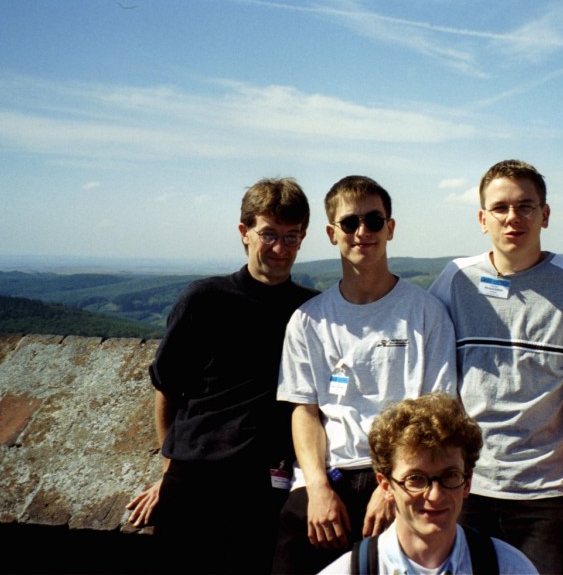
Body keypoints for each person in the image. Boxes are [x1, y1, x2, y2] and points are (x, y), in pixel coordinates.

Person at [125, 177, 318, 574]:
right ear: (244, 233)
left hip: (266, 486)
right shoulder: (205, 300)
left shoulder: (310, 311)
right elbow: (167, 390)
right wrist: (170, 472)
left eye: (292, 237)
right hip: (196, 481)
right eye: (269, 235)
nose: (281, 249)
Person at [273, 175, 458, 574]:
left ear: (390, 228)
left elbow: (435, 412)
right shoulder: (308, 321)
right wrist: (317, 487)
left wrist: (393, 487)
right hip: (330, 477)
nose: (362, 232)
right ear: (331, 232)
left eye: (374, 222)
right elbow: (304, 412)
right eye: (350, 223)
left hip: (405, 478)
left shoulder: (426, 313)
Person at [429, 159, 563, 573]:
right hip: (468, 487)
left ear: (545, 214)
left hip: (550, 495)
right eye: (500, 208)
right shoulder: (456, 279)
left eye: (525, 206)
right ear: (482, 218)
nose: (513, 218)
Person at [318, 392, 539, 574]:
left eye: (449, 476)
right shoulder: (347, 571)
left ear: (467, 482)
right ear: (386, 486)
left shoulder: (509, 567)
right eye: (416, 479)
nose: (435, 495)